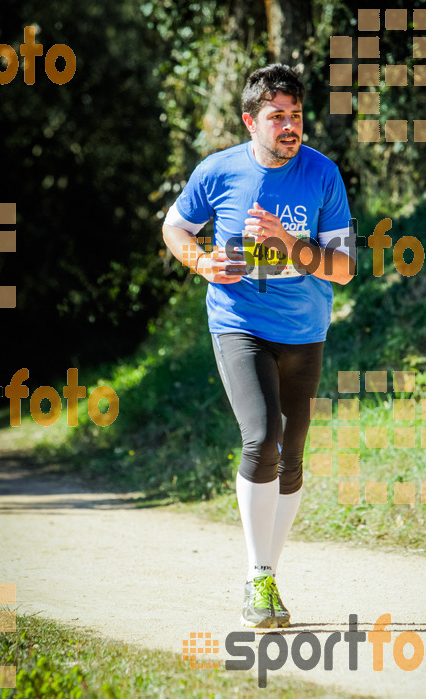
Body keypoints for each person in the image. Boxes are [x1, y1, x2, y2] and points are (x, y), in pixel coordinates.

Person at [162, 63, 355, 629]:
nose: (290, 126)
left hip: (304, 330)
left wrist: (292, 245)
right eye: (277, 117)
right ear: (251, 121)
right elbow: (175, 228)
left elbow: (343, 269)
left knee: (291, 460)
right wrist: (201, 262)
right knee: (261, 437)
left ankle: (267, 572)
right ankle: (257, 577)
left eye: (296, 116)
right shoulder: (217, 172)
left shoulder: (323, 175)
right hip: (238, 323)